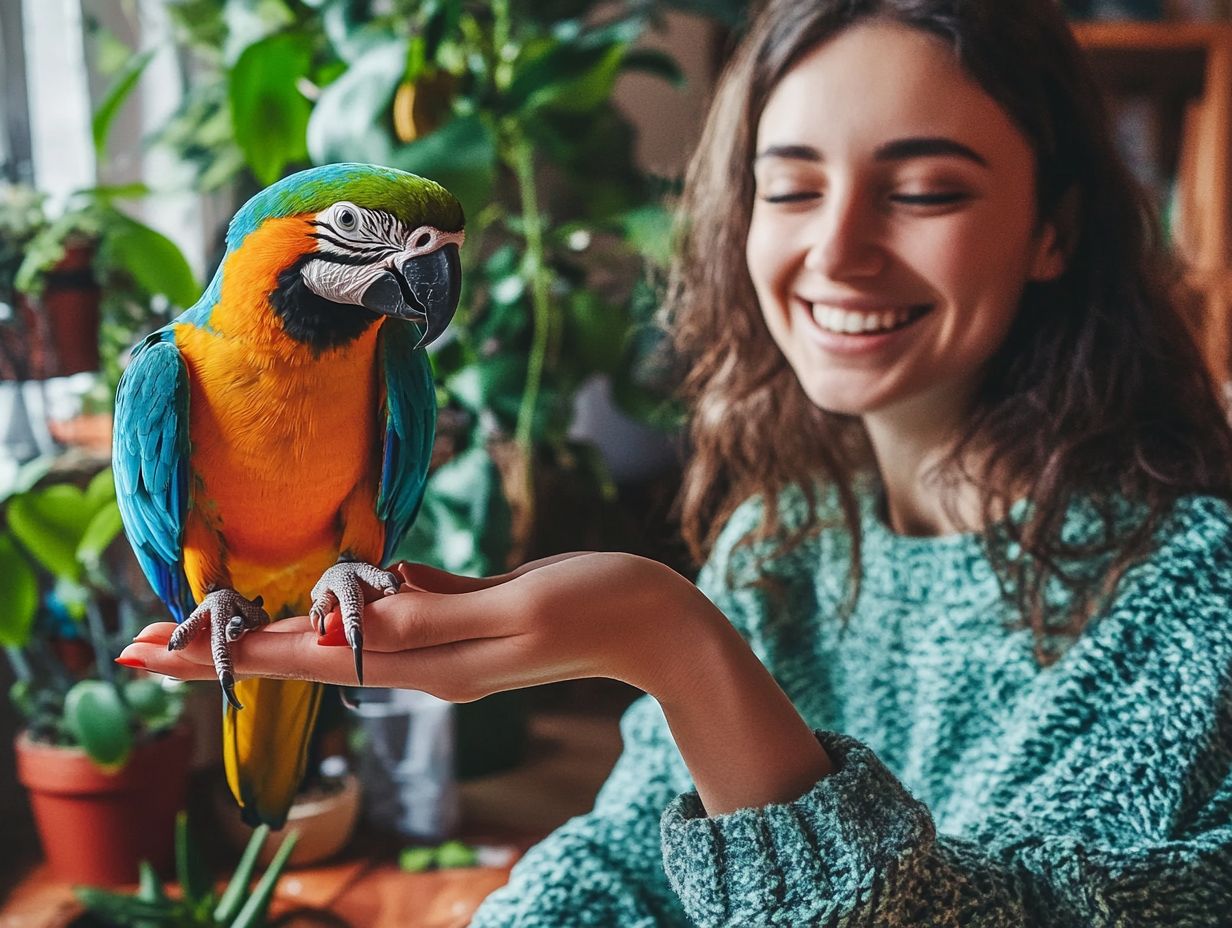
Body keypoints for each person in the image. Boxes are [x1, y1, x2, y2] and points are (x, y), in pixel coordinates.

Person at [120, 0, 1232, 924]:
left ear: (1056, 230)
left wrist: (671, 643)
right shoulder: (783, 537)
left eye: (924, 188)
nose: (834, 253)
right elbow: (622, 864)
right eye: (788, 186)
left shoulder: (1190, 599)